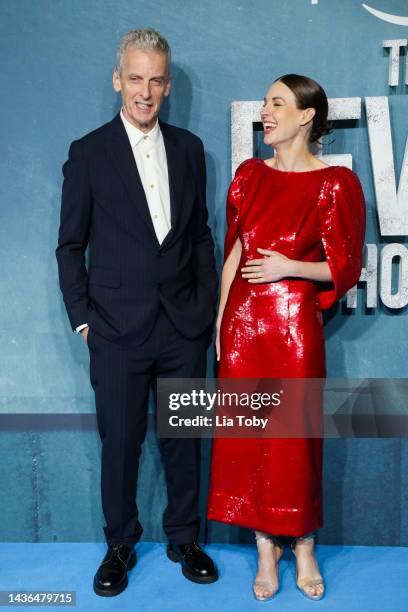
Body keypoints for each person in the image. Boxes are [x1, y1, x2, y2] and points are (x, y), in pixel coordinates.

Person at [56, 28, 218, 597]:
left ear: (167, 85)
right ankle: (120, 544)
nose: (144, 91)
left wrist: (204, 312)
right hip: (116, 330)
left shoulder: (191, 150)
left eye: (155, 80)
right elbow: (69, 245)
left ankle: (184, 538)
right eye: (135, 78)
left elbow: (199, 237)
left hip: (182, 327)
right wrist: (84, 320)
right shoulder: (88, 152)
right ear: (117, 80)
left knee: (183, 441)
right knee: (120, 443)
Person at [208, 74, 365, 602]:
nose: (266, 113)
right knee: (249, 439)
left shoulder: (334, 184)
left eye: (277, 104)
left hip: (295, 330)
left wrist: (288, 266)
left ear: (306, 116)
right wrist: (220, 325)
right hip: (243, 329)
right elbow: (233, 255)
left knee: (295, 441)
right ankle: (263, 548)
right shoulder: (248, 176)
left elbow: (344, 267)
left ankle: (302, 546)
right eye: (264, 104)